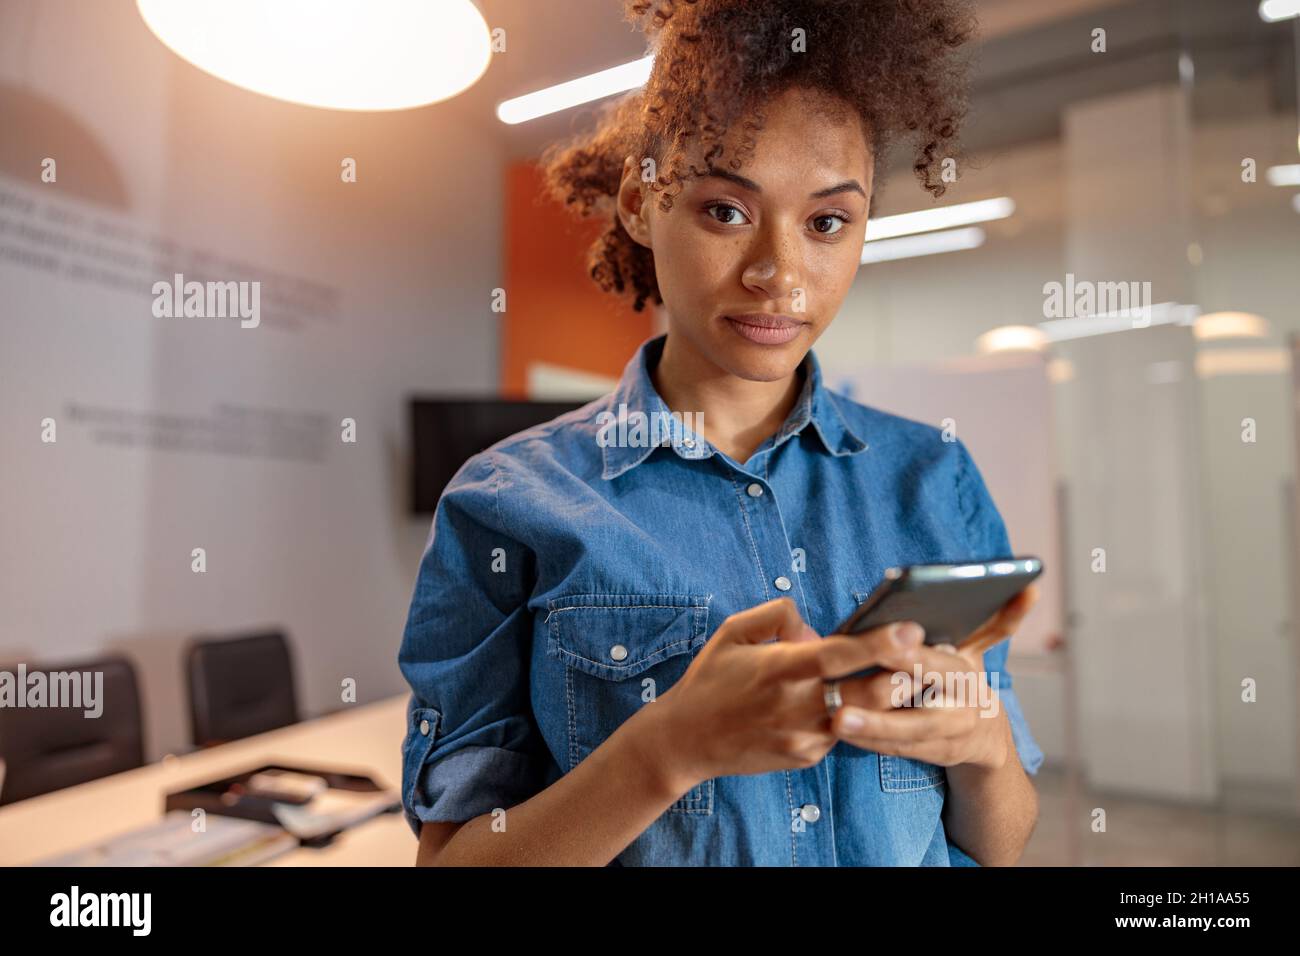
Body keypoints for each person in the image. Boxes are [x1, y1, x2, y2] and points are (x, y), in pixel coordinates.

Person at [398, 0, 1044, 866]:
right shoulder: (506, 502)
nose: (781, 273)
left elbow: (1000, 841)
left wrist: (984, 745)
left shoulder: (934, 476)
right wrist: (667, 750)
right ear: (640, 204)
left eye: (827, 223)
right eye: (726, 211)